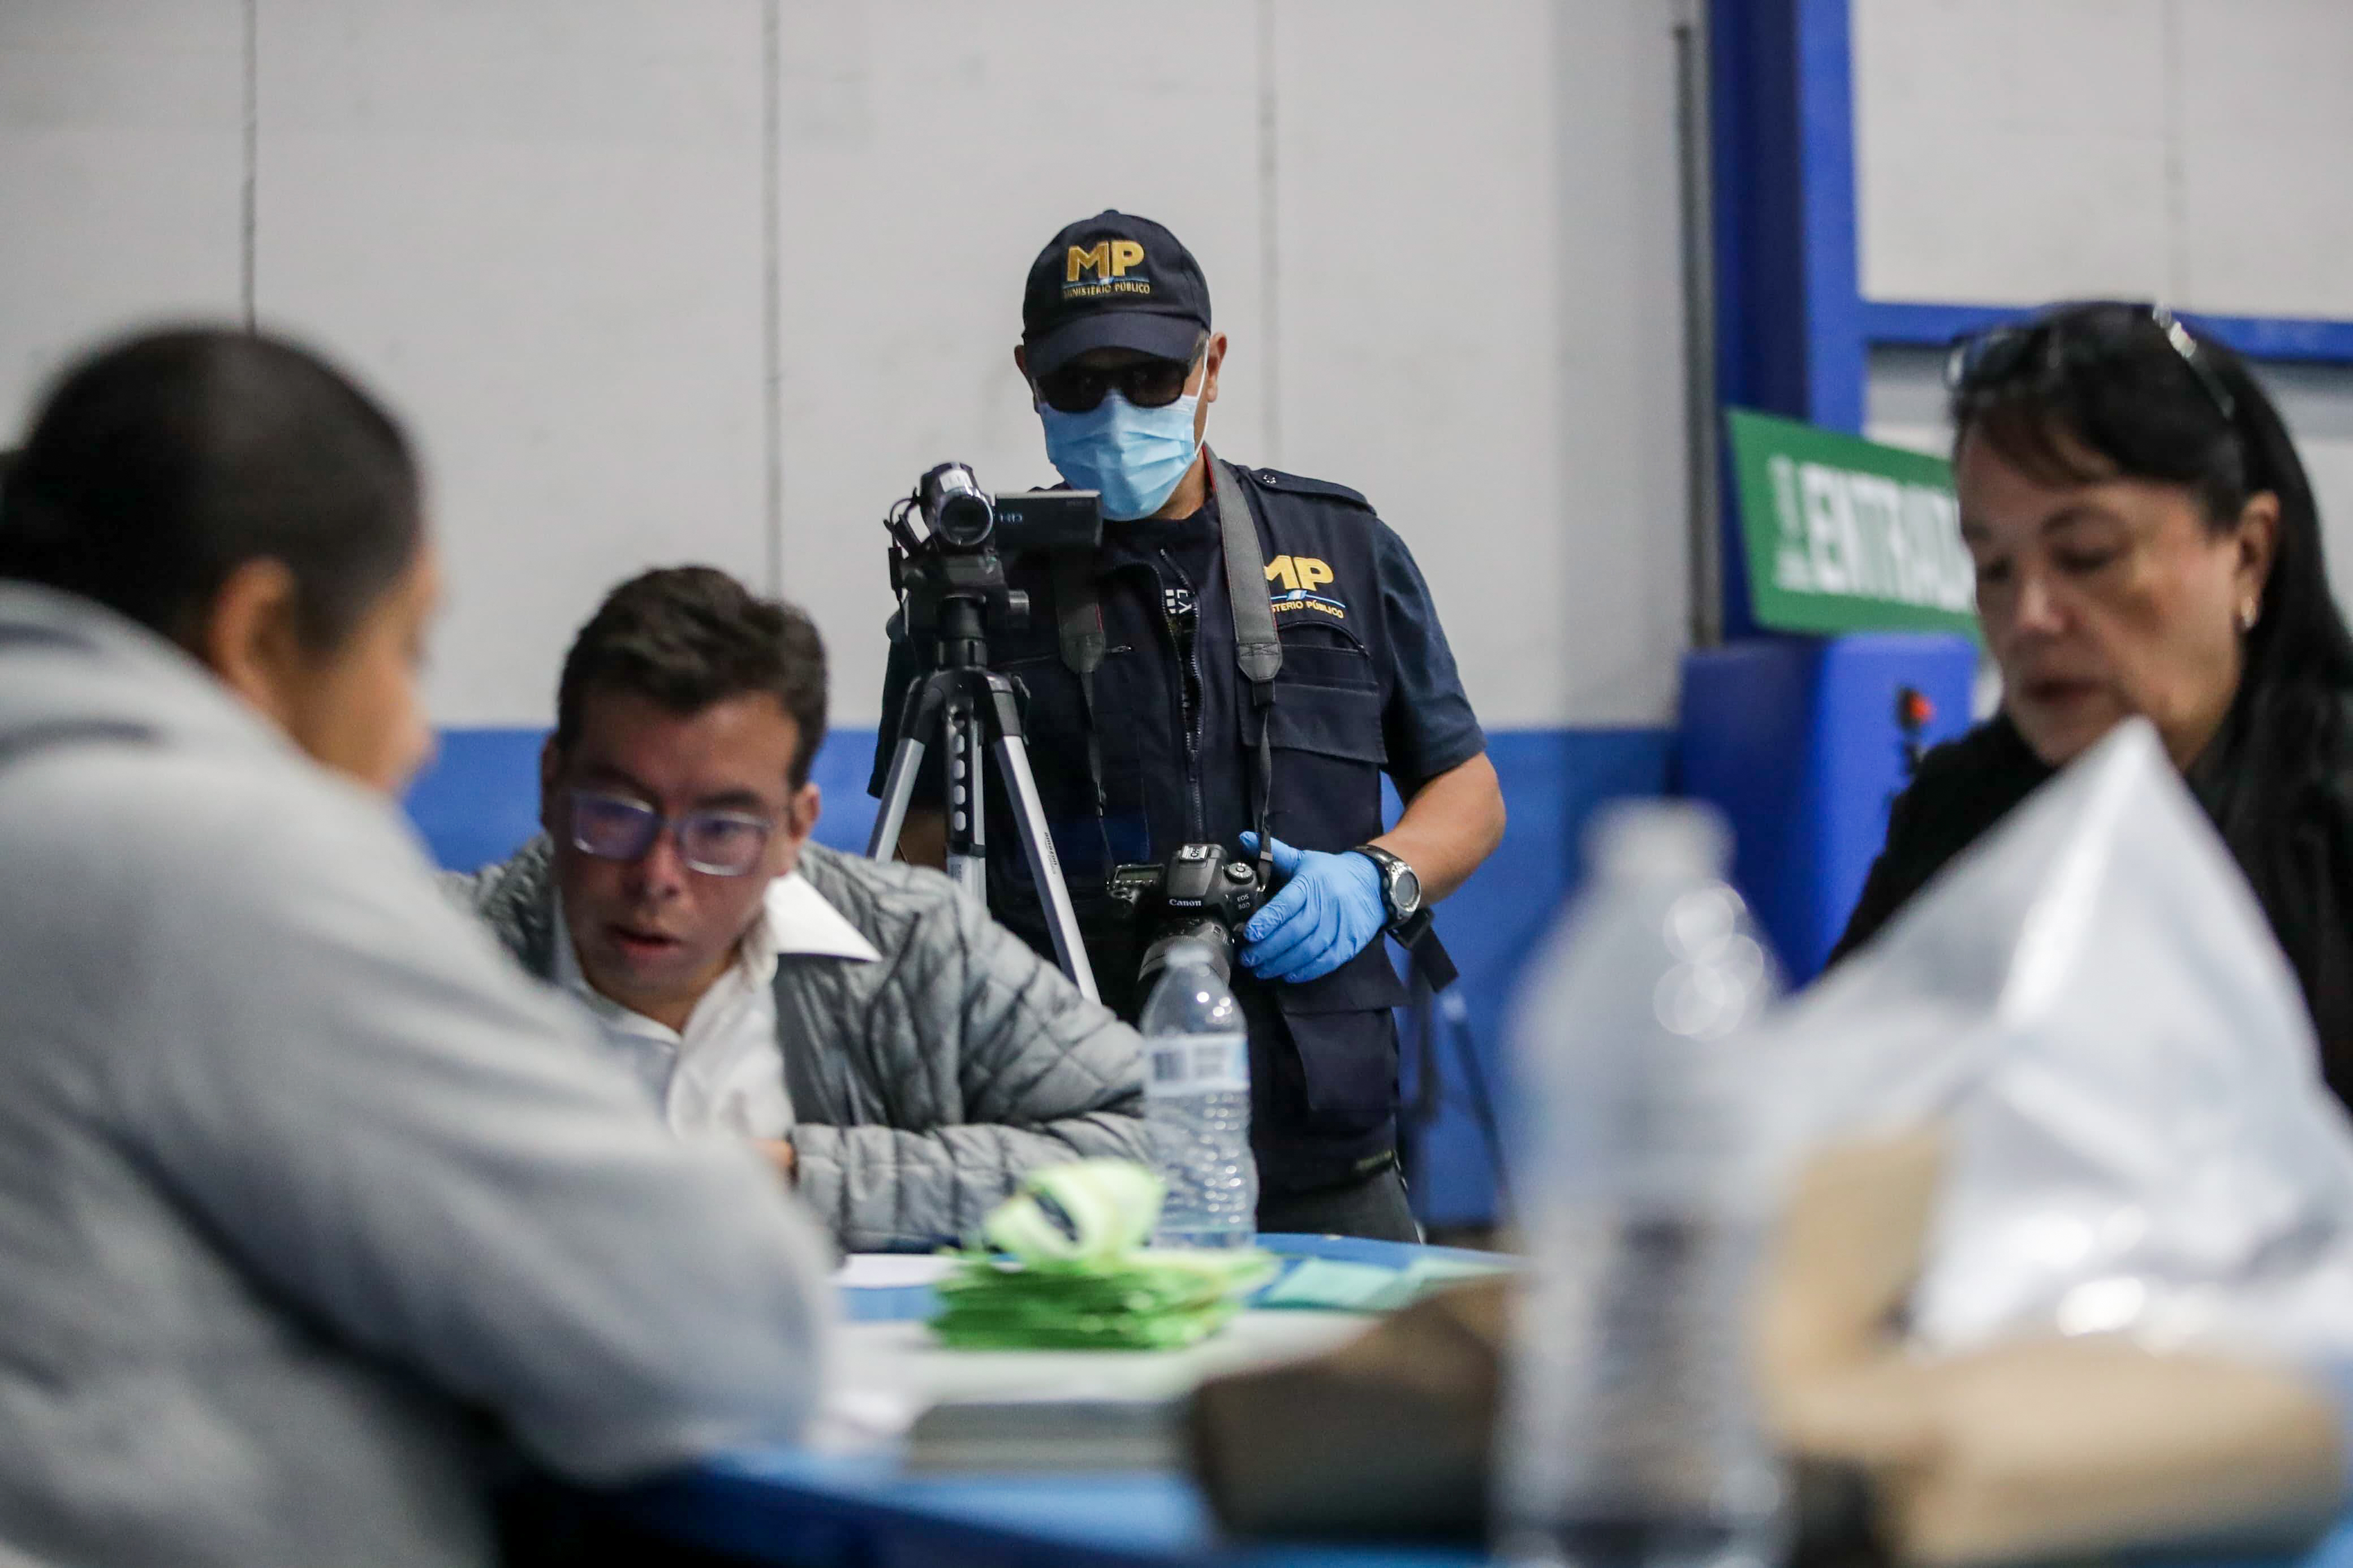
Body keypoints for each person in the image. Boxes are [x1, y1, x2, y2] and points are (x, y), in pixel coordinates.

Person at [0, 328, 831, 1568]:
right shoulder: (213, 853)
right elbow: (725, 1326)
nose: (415, 739)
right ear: (259, 634)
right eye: (405, 650)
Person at [872, 211, 1506, 1241]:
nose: (1117, 410)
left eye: (1151, 377)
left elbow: (1466, 791)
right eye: (1081, 384)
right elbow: (917, 859)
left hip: (1323, 1142)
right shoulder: (974, 594)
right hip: (1069, 1154)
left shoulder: (1343, 548)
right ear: (1030, 376)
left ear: (1211, 365)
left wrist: (1374, 880)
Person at [451, 566, 1150, 1252]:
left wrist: (805, 1182)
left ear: (794, 828)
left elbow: (1162, 1138)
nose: (657, 878)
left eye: (720, 830)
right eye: (616, 813)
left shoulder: (912, 944)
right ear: (551, 783)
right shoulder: (434, 955)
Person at [1833, 300, 2353, 1105]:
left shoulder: (2331, 825)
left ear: (2247, 555)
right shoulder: (1957, 820)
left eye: (2087, 555)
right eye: (1993, 569)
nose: (2029, 616)